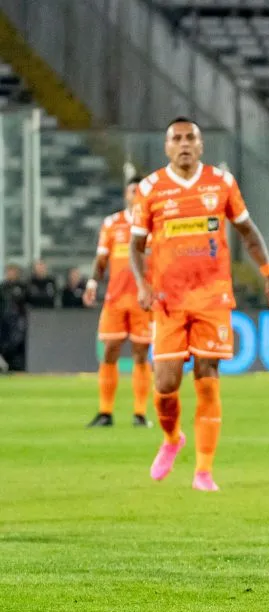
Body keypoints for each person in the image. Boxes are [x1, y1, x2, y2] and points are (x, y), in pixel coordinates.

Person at [130, 117, 269, 492]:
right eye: (176, 138)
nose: (184, 144)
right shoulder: (150, 188)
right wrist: (143, 285)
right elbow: (135, 246)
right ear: (167, 147)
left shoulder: (222, 183)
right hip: (168, 300)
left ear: (201, 145)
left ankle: (203, 471)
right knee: (165, 384)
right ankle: (171, 439)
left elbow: (248, 232)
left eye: (190, 138)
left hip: (213, 296)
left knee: (207, 375)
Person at [84, 176, 154, 428]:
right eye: (131, 190)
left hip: (142, 299)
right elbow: (102, 258)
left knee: (141, 354)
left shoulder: (153, 224)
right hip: (115, 298)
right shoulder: (112, 223)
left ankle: (139, 414)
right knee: (110, 351)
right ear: (126, 194)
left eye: (139, 190)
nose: (135, 194)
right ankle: (105, 412)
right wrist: (92, 283)